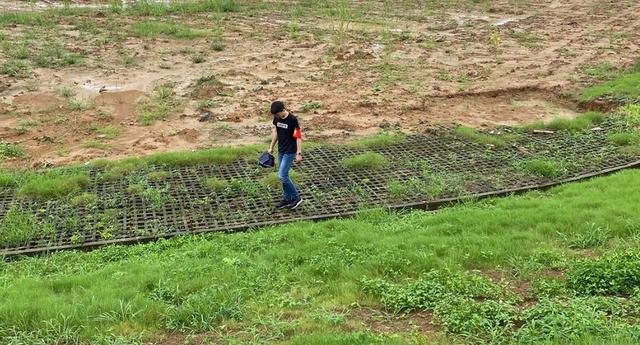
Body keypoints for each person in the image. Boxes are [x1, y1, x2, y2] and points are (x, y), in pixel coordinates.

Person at [268, 101, 304, 210]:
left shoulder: (292, 120)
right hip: (281, 150)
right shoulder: (277, 118)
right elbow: (276, 132)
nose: (277, 117)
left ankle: (297, 197)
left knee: (282, 175)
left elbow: (298, 136)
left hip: (290, 151)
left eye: (278, 114)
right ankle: (287, 198)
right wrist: (271, 147)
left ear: (283, 110)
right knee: (284, 176)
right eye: (275, 116)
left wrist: (298, 153)